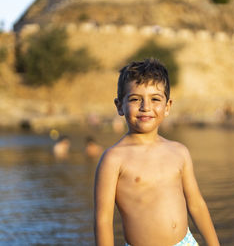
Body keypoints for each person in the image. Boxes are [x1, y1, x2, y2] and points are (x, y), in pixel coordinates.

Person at [94, 59, 220, 246]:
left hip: (186, 242)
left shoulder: (179, 151)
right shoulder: (114, 158)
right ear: (119, 105)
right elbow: (103, 220)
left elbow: (196, 204)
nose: (146, 107)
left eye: (155, 99)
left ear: (167, 106)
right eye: (135, 99)